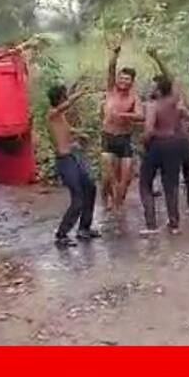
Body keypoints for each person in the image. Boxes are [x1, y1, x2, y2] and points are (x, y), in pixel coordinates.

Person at [147, 47, 189, 218]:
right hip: (177, 143)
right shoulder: (161, 104)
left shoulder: (171, 103)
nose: (153, 88)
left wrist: (157, 59)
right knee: (181, 176)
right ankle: (186, 209)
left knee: (183, 176)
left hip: (178, 142)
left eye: (156, 85)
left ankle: (185, 209)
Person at [45, 83, 100, 248]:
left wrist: (80, 133)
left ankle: (84, 228)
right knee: (78, 198)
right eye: (65, 95)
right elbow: (64, 107)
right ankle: (62, 234)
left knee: (90, 188)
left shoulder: (60, 116)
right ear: (60, 97)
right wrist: (80, 94)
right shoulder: (51, 114)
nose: (67, 97)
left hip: (73, 157)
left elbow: (66, 130)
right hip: (64, 160)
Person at [139, 75, 186, 235]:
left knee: (145, 184)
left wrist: (144, 141)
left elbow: (149, 129)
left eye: (153, 86)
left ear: (158, 90)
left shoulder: (153, 105)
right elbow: (176, 85)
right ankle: (174, 224)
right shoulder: (174, 103)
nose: (150, 89)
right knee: (171, 185)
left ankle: (151, 225)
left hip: (157, 145)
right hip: (173, 144)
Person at [101, 38, 144, 215]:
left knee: (125, 179)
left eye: (128, 79)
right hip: (108, 137)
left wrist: (124, 115)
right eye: (122, 78)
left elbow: (141, 116)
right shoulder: (111, 90)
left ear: (132, 82)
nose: (124, 81)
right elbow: (111, 69)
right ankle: (108, 200)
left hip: (124, 139)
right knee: (109, 176)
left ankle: (118, 205)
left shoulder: (134, 98)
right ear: (117, 79)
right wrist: (115, 53)